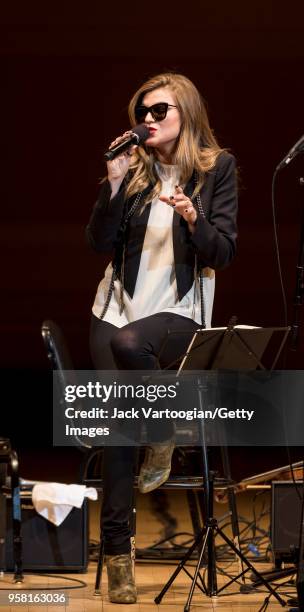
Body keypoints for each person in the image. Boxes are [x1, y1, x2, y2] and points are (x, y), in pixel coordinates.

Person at [86, 72, 238, 603]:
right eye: (143, 112)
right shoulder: (133, 171)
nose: (147, 120)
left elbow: (222, 252)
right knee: (121, 429)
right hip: (116, 307)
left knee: (133, 349)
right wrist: (111, 184)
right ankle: (117, 556)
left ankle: (166, 428)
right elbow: (96, 242)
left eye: (160, 111)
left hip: (177, 313)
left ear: (186, 113)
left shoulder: (216, 169)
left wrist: (195, 218)